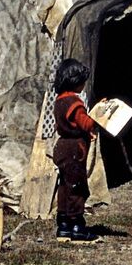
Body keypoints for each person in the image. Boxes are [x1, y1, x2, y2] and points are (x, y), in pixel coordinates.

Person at [51, 58, 100, 243]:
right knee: (77, 187)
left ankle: (63, 224)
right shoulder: (74, 102)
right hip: (74, 149)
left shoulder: (59, 100)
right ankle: (77, 225)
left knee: (64, 186)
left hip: (62, 146)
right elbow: (85, 122)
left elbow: (68, 125)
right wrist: (99, 114)